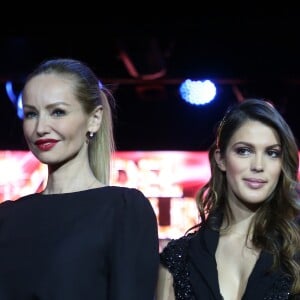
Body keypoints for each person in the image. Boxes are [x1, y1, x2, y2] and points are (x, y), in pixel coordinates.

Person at [0, 58, 159, 299]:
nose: (41, 127)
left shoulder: (123, 210)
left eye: (58, 112)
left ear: (94, 119)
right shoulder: (7, 217)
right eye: (31, 114)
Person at [156, 98, 300, 300]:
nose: (258, 165)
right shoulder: (180, 259)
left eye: (272, 153)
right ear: (221, 159)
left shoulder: (295, 251)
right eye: (244, 151)